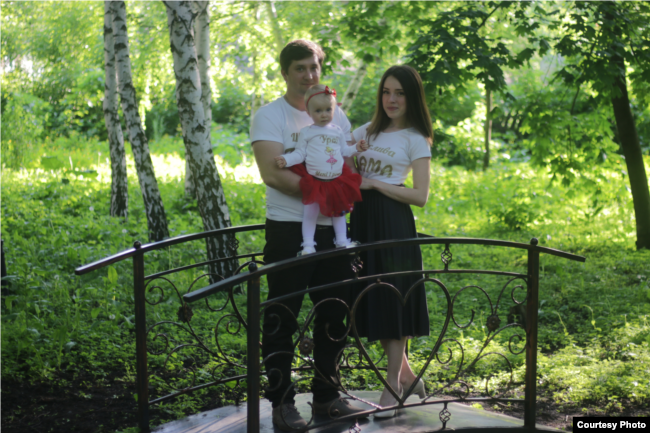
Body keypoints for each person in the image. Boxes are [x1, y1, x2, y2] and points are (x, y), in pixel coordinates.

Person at [250, 39, 367, 431]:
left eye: (314, 67)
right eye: (299, 68)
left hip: (334, 230)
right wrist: (320, 192)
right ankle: (282, 404)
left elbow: (349, 166)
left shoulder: (336, 113)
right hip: (288, 230)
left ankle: (327, 398)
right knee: (282, 314)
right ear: (285, 72)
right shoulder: (270, 116)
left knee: (335, 311)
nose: (308, 75)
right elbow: (271, 172)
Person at [348, 65, 433, 418]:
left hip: (395, 223)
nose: (391, 99)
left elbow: (420, 195)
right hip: (363, 222)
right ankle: (410, 378)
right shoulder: (364, 132)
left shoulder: (416, 137)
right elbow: (341, 165)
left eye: (399, 93)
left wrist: (374, 185)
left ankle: (391, 386)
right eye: (386, 92)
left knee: (393, 298)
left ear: (411, 97)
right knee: (376, 298)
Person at [274, 84, 369, 256]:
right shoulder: (307, 132)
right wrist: (286, 160)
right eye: (318, 111)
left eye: (328, 109)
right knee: (310, 214)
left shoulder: (338, 131)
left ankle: (342, 241)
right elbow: (300, 154)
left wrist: (357, 147)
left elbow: (345, 152)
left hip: (336, 181)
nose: (324, 114)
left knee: (339, 213)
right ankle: (308, 245)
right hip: (316, 181)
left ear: (334, 109)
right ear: (309, 113)